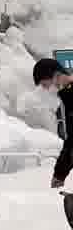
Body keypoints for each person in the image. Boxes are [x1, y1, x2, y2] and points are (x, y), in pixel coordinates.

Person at [32, 57, 73, 187]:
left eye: (45, 84)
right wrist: (59, 174)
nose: (46, 89)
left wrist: (59, 173)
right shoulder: (68, 95)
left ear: (56, 76)